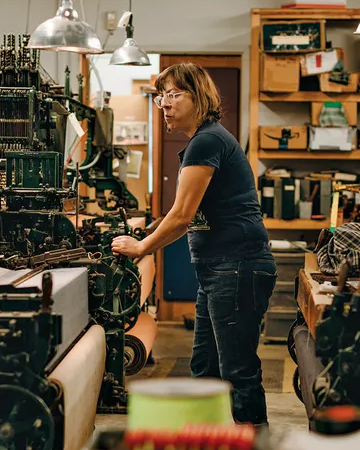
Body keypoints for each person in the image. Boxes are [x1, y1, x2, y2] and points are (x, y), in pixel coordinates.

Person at [111, 63, 276, 425]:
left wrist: (142, 248)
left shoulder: (207, 140)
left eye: (173, 94)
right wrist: (147, 232)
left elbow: (183, 215)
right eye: (160, 97)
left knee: (237, 371)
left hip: (236, 267)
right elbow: (189, 211)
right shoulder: (204, 141)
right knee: (206, 366)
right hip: (219, 272)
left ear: (198, 96)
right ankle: (213, 445)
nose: (165, 105)